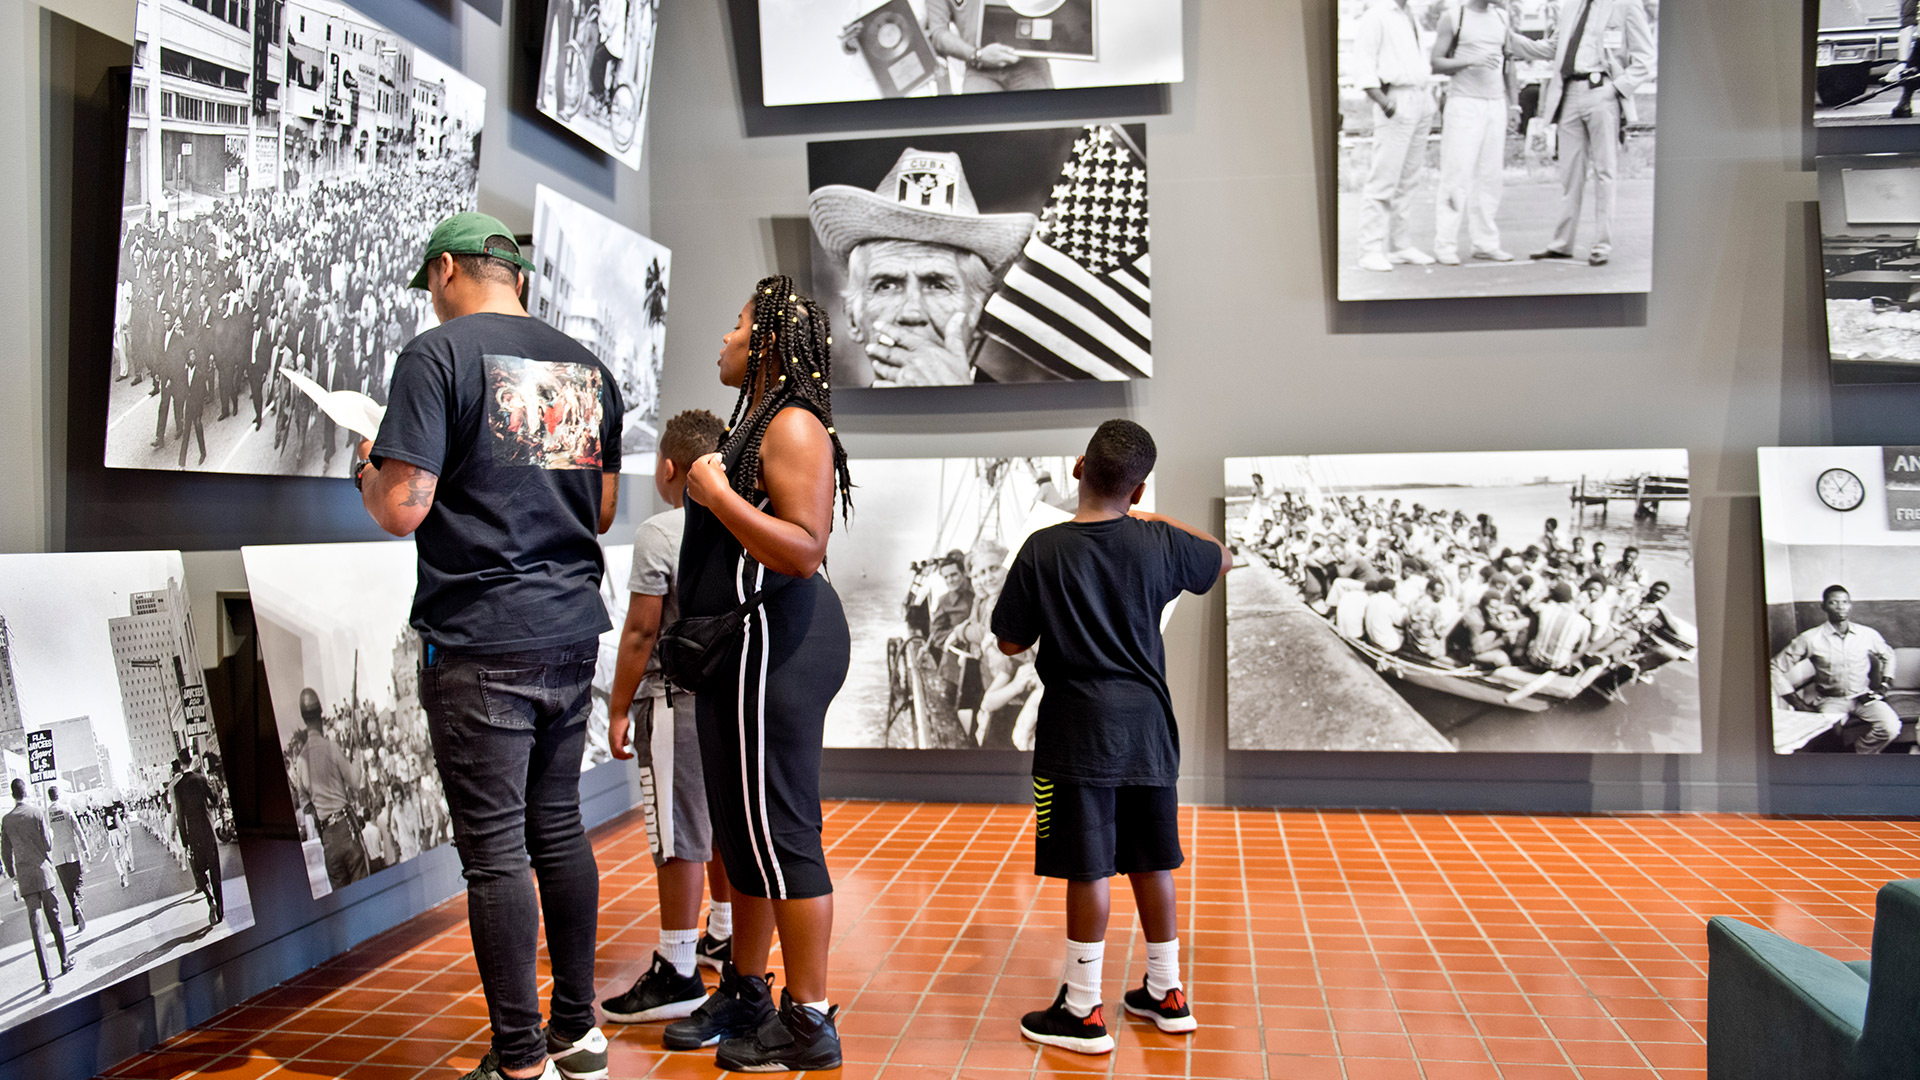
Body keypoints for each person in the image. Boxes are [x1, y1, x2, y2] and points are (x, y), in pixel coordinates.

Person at [356, 212, 622, 1080]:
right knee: (558, 828)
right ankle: (576, 1034)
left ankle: (517, 1060)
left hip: (481, 639)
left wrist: (368, 462)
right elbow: (604, 510)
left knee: (496, 852)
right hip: (570, 628)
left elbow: (402, 508)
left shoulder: (435, 358)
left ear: (444, 272)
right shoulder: (585, 367)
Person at [659, 275, 854, 1072]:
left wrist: (711, 490)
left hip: (775, 641)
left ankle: (809, 1020)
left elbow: (805, 549)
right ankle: (746, 987)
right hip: (739, 646)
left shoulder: (795, 424)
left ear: (766, 340)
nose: (724, 339)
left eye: (736, 326)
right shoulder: (757, 420)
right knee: (743, 836)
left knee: (783, 835)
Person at [989, 419, 1228, 1055]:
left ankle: (1082, 1009)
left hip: (1074, 731)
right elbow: (1219, 557)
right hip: (1150, 727)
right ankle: (1167, 993)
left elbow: (1010, 640)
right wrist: (1155, 519)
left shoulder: (1043, 548)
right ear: (1140, 489)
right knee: (1154, 857)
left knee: (1085, 863)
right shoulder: (1160, 544)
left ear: (1077, 468)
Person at [601, 408, 739, 1025]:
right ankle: (724, 933)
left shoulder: (662, 531)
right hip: (727, 703)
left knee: (678, 836)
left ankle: (678, 968)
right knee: (717, 826)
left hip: (674, 699)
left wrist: (618, 707)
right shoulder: (744, 526)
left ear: (668, 467)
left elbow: (640, 630)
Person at [809, 148, 1036, 386]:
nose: (911, 313)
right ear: (853, 319)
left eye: (937, 285)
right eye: (886, 285)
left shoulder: (1032, 419)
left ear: (980, 320)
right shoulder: (823, 421)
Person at [1508, 0, 1655, 267]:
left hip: (1603, 92)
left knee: (1604, 171)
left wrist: (1617, 88)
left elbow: (1646, 57)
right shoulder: (1572, 6)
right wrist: (1507, 37)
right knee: (1570, 172)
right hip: (1569, 92)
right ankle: (1562, 243)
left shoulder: (1625, 5)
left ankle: (1601, 244)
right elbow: (1553, 48)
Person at [1429, 0, 1518, 264]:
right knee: (1457, 174)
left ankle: (1485, 243)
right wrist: (1471, 60)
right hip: (1464, 103)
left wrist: (1514, 104)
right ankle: (1445, 244)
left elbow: (1509, 64)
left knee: (1490, 176)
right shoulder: (1454, 17)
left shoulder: (1502, 17)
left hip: (1495, 103)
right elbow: (1435, 62)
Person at [1352, 0, 1438, 274]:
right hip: (1396, 99)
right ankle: (1370, 249)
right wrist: (1383, 102)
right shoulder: (1376, 15)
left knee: (1408, 178)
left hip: (1421, 97)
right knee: (1384, 177)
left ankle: (1401, 245)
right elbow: (1364, 65)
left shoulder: (1410, 14)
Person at [1771, 585, 1901, 755]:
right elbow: (1774, 667)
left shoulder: (1867, 634)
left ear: (1850, 605)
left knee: (1891, 728)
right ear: (1824, 606)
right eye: (1834, 602)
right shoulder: (1810, 638)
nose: (1840, 607)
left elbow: (1889, 655)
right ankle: (1839, 765)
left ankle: (1857, 755)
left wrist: (1885, 685)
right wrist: (1798, 703)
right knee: (1828, 738)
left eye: (1844, 602)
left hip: (1863, 697)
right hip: (1830, 701)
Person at [296, 688, 371, 890]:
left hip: (327, 838)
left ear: (304, 719)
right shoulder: (331, 747)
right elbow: (356, 781)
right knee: (364, 894)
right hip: (347, 828)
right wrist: (356, 753)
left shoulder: (300, 761)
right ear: (320, 714)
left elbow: (306, 806)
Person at [4, 779, 72, 990]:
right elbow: (47, 844)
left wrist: (13, 876)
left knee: (36, 929)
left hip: (26, 879)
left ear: (13, 794)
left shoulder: (6, 820)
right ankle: (64, 961)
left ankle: (47, 979)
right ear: (26, 792)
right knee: (55, 920)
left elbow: (5, 853)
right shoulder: (37, 813)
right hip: (44, 875)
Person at [923, 0, 1055, 93]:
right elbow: (938, 33)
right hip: (979, 69)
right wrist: (977, 55)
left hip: (1027, 61)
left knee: (1042, 123)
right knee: (974, 127)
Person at [171, 751, 225, 925]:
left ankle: (210, 899)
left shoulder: (178, 787)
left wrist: (185, 842)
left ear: (180, 764)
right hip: (208, 830)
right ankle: (221, 912)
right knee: (215, 870)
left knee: (199, 871)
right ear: (191, 760)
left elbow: (180, 817)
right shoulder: (201, 779)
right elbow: (214, 799)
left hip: (193, 834)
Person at [45, 785, 92, 931]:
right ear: (58, 795)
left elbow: (46, 837)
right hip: (72, 853)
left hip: (58, 856)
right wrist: (85, 849)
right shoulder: (66, 809)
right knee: (78, 884)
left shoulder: (46, 814)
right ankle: (79, 908)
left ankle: (77, 919)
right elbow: (77, 829)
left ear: (49, 796)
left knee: (67, 888)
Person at [1527, 582, 1593, 672]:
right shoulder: (1584, 622)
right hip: (1558, 665)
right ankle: (1569, 664)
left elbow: (1532, 605)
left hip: (1534, 659)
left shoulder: (1545, 609)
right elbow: (1579, 648)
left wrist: (1545, 594)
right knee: (1586, 645)